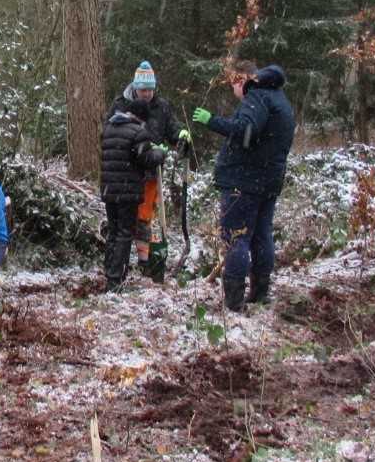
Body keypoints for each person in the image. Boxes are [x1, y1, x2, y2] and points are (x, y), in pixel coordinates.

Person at [192, 62, 297, 312]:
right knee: (261, 235)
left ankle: (234, 301)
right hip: (268, 182)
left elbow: (246, 131)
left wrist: (212, 121)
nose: (235, 92)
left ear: (241, 81)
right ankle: (260, 292)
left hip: (244, 181)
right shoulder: (279, 99)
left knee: (235, 237)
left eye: (234, 86)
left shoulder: (257, 97)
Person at [107, 61, 191, 272]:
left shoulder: (161, 106)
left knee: (144, 217)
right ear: (135, 88)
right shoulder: (120, 104)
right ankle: (119, 263)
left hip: (152, 171)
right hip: (128, 171)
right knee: (124, 221)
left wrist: (180, 133)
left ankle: (145, 260)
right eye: (143, 89)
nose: (146, 93)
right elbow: (112, 134)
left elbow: (171, 127)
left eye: (150, 89)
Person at [99, 98, 168, 292]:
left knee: (113, 231)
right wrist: (160, 154)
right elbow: (146, 159)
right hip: (127, 191)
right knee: (124, 234)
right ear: (142, 117)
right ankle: (116, 280)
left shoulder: (110, 129)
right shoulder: (138, 132)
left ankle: (109, 271)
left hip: (109, 190)